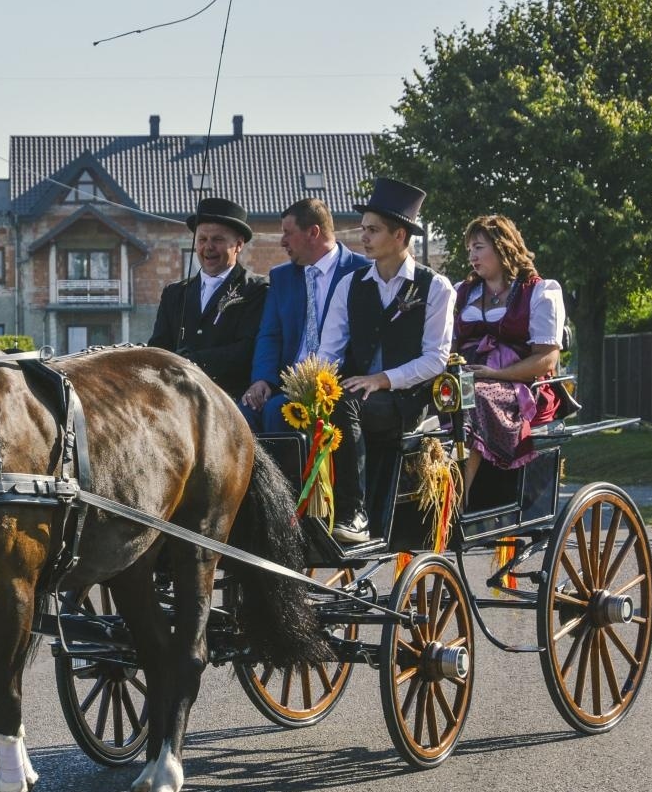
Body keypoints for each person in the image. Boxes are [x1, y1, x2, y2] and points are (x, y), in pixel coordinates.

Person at [320, 177, 456, 544]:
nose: (363, 237)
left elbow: (434, 361)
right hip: (354, 394)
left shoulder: (435, 287)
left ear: (400, 235)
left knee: (344, 404)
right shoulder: (351, 285)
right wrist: (314, 386)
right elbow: (328, 351)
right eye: (363, 229)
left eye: (373, 230)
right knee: (304, 406)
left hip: (404, 400)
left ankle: (355, 513)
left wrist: (382, 379)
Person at [451, 214, 566, 492]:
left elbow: (546, 358)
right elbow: (449, 348)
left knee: (473, 397)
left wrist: (495, 374)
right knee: (435, 397)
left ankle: (455, 503)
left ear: (502, 246)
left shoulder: (538, 291)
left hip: (521, 385)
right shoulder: (461, 293)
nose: (472, 257)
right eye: (469, 250)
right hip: (465, 378)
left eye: (478, 248)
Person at [242, 198, 370, 431]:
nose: (282, 242)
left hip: (337, 387)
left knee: (276, 412)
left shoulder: (362, 272)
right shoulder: (281, 277)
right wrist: (262, 379)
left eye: (288, 233)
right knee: (242, 413)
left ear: (313, 232)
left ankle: (288, 470)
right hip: (287, 383)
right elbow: (270, 335)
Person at [148, 197, 268, 405]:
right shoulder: (174, 293)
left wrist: (191, 362)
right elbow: (158, 346)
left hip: (230, 400)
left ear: (238, 245)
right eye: (202, 240)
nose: (208, 247)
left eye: (218, 240)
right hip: (177, 398)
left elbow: (247, 349)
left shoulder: (256, 289)